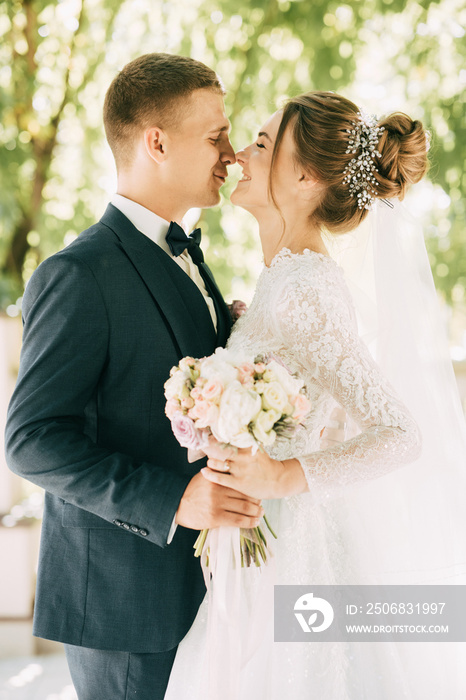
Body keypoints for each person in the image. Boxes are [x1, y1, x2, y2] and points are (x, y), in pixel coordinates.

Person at [165, 92, 466, 699]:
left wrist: (282, 477)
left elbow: (401, 434)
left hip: (292, 557)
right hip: (259, 550)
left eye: (262, 143)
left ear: (304, 177)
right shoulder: (285, 280)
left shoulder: (305, 289)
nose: (241, 156)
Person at [4, 53, 264, 700]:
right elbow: (31, 440)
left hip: (195, 587)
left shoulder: (182, 253)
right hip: (124, 606)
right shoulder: (79, 275)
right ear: (156, 142)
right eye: (216, 136)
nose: (232, 154)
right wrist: (172, 500)